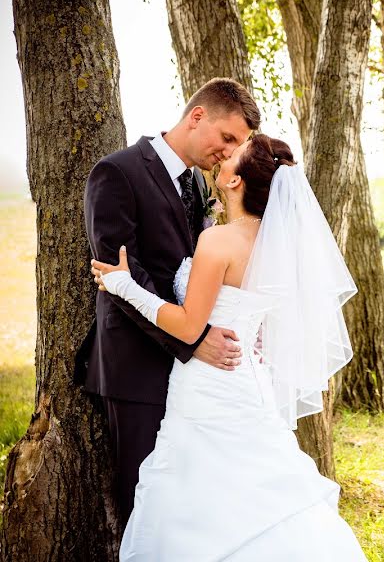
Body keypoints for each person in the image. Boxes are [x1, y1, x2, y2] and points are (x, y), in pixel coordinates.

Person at [91, 133, 366, 560]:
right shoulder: (277, 244)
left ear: (236, 181)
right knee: (256, 487)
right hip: (249, 384)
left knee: (192, 489)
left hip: (206, 386)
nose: (224, 155)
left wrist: (125, 287)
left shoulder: (219, 242)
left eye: (234, 154)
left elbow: (187, 327)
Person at [76, 77, 260, 524]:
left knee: (189, 501)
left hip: (193, 377)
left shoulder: (197, 186)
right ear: (198, 117)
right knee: (146, 505)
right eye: (228, 138)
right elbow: (121, 274)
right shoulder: (117, 172)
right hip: (135, 367)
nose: (230, 152)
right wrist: (193, 338)